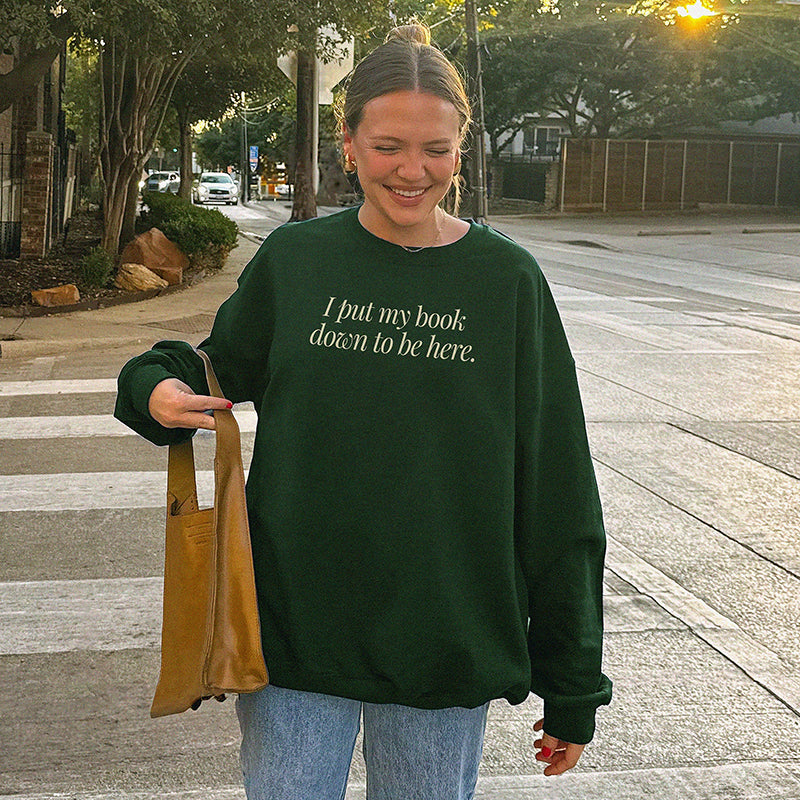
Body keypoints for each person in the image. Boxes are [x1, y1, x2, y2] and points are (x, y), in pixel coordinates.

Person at [115, 23, 612, 800]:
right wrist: (151, 385)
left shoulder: (507, 281)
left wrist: (573, 680)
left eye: (436, 150)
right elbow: (214, 363)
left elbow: (558, 491)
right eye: (387, 146)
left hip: (446, 639)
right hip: (294, 633)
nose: (413, 171)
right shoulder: (298, 260)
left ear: (462, 148)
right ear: (348, 144)